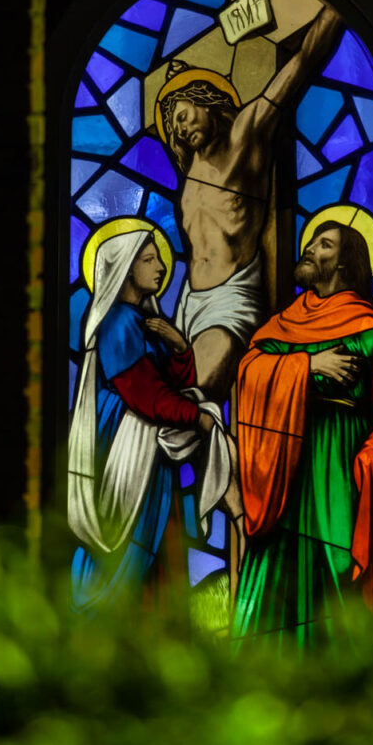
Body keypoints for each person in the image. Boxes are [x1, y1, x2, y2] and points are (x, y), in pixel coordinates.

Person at [156, 5, 342, 400]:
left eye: (185, 115)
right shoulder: (188, 172)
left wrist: (336, 8)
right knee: (154, 396)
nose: (181, 128)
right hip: (188, 303)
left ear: (206, 102)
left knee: (199, 392)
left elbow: (304, 63)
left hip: (231, 299)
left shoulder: (247, 135)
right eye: (174, 127)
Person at [232, 221, 373, 647]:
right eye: (310, 241)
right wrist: (308, 367)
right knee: (275, 573)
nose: (309, 248)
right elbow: (247, 371)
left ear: (345, 261)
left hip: (339, 464)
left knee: (334, 567)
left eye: (324, 243)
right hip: (284, 464)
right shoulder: (284, 324)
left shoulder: (372, 326)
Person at [68, 227, 233, 614]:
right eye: (148, 260)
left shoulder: (145, 321)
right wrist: (197, 417)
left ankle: (160, 637)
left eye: (159, 258)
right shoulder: (118, 323)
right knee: (133, 544)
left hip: (151, 454)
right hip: (125, 454)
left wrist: (178, 346)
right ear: (125, 270)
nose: (162, 267)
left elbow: (176, 383)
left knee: (158, 542)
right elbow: (145, 396)